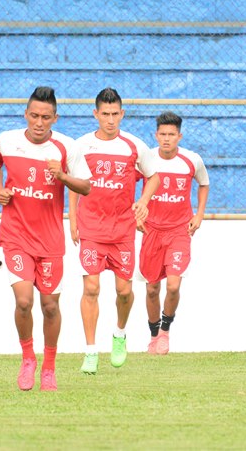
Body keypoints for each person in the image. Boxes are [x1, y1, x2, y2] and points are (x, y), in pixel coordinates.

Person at [0, 86, 91, 392]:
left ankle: (48, 367)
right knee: (23, 301)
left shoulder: (66, 148)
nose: (39, 122)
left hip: (49, 241)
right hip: (15, 235)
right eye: (34, 115)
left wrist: (62, 177)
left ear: (55, 118)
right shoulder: (7, 140)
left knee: (49, 307)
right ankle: (27, 359)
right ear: (26, 115)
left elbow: (85, 187)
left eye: (46, 117)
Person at [69, 87, 159, 375]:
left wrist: (143, 201)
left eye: (114, 114)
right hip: (92, 227)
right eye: (104, 114)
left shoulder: (134, 146)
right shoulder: (81, 146)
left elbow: (154, 176)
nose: (110, 120)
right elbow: (74, 183)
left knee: (124, 291)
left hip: (122, 230)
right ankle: (91, 351)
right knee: (91, 288)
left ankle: (119, 334)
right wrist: (72, 219)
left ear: (122, 114)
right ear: (95, 114)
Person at [140, 111, 209, 355]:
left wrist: (199, 214)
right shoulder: (146, 159)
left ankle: (165, 332)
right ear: (156, 135)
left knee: (172, 285)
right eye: (163, 134)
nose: (167, 139)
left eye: (171, 134)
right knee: (151, 289)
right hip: (152, 231)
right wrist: (136, 211)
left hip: (179, 231)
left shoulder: (192, 160)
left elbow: (204, 183)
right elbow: (131, 185)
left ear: (179, 136)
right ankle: (153, 334)